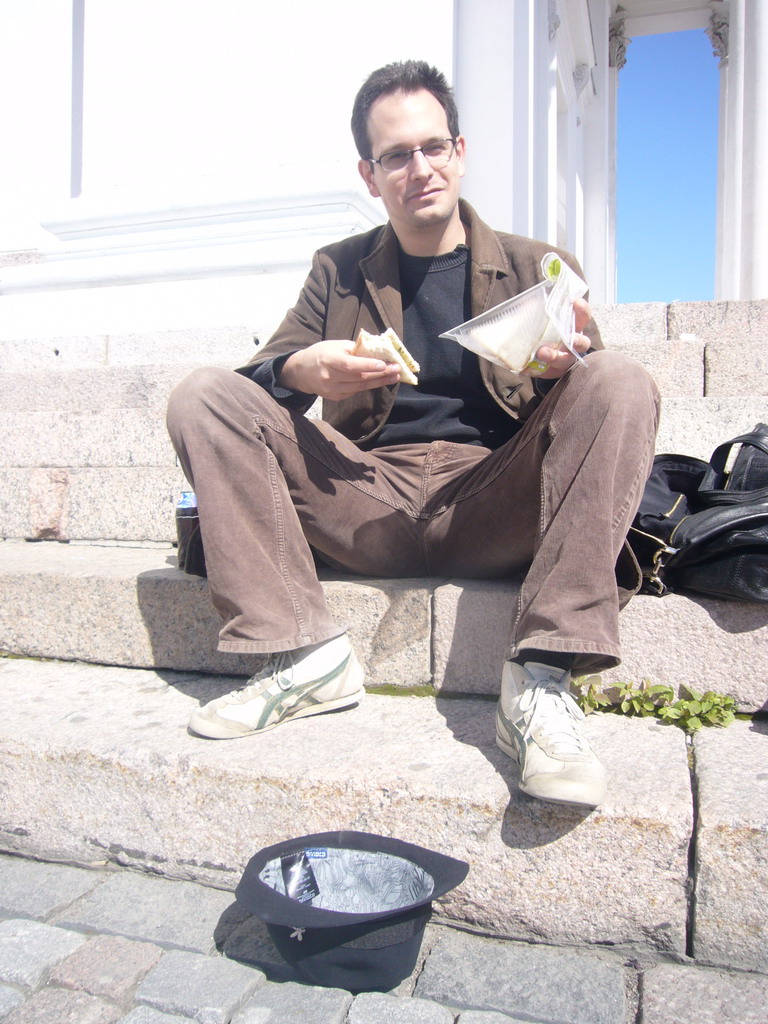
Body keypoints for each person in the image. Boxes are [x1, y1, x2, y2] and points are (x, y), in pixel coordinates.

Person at [167, 60, 660, 810]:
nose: (419, 169)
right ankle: (302, 656)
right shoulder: (337, 270)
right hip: (366, 494)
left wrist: (571, 365)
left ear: (460, 151)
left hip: (492, 494)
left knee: (620, 378)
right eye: (396, 155)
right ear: (370, 174)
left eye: (433, 148)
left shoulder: (538, 265)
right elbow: (258, 375)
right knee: (203, 394)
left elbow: (591, 415)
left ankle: (542, 676)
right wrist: (305, 370)